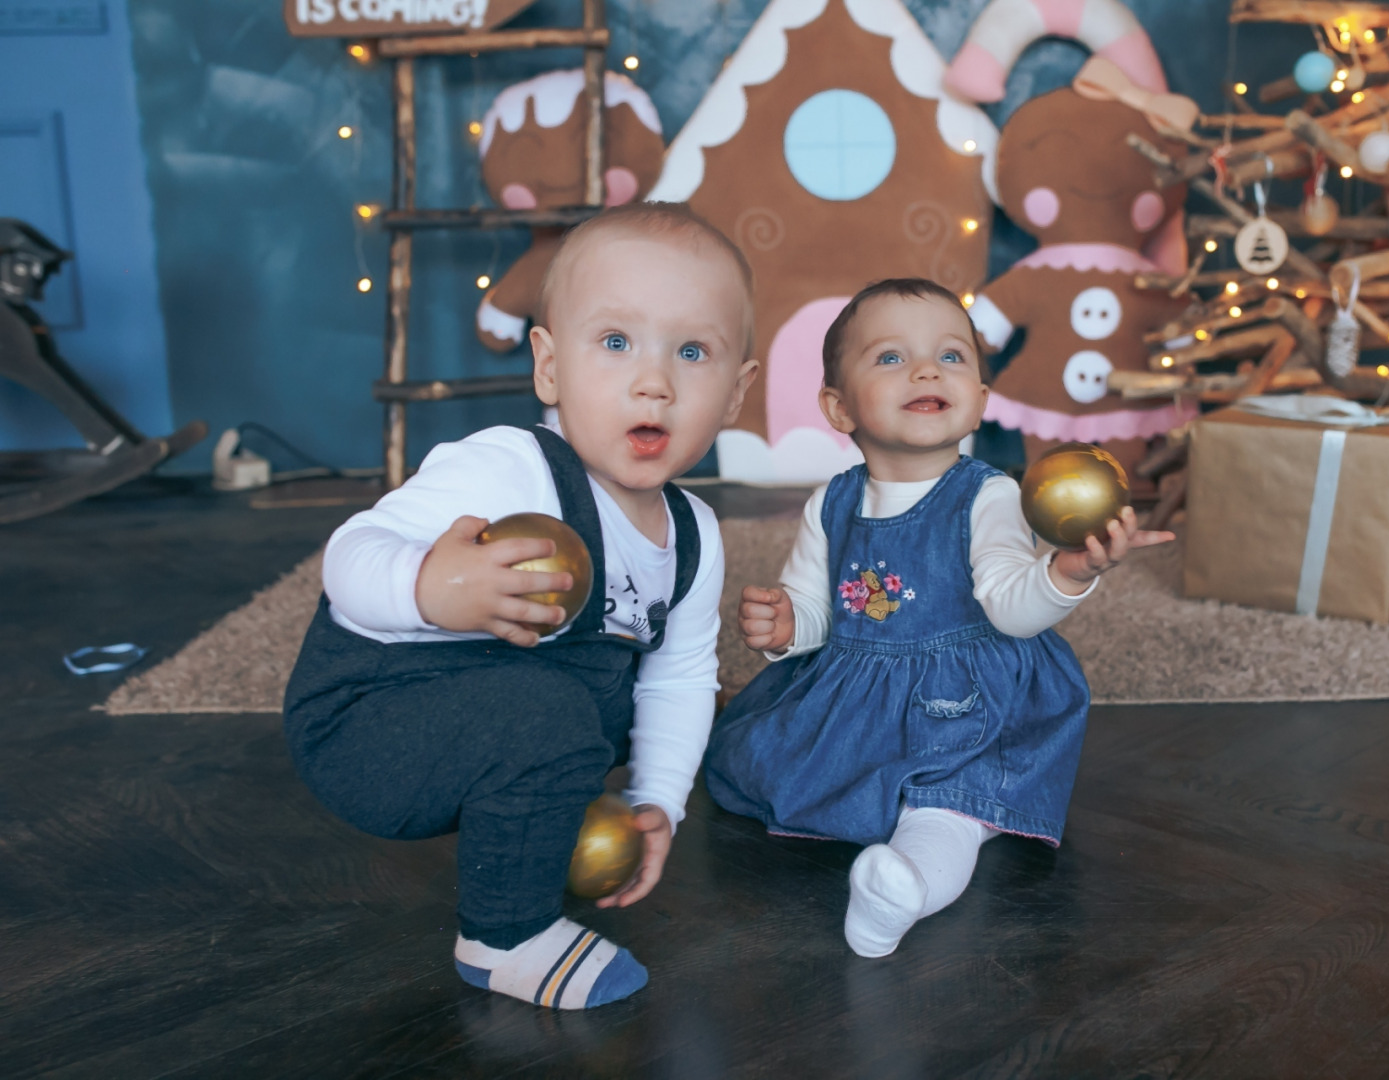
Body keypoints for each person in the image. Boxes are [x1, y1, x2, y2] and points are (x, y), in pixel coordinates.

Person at [283, 203, 758, 1009]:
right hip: (369, 719)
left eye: (692, 351)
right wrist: (431, 587)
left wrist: (656, 802)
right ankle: (504, 939)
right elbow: (349, 560)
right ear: (548, 367)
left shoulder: (695, 535)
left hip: (507, 717)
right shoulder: (508, 468)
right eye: (615, 343)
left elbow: (679, 676)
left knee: (608, 701)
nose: (655, 381)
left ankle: (525, 834)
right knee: (553, 710)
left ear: (738, 392)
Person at [705, 278, 1170, 958]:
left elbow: (1014, 611)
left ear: (980, 399)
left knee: (953, 805)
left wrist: (1065, 574)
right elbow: (818, 609)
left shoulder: (989, 496)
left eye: (952, 356)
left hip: (968, 704)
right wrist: (786, 627)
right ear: (838, 407)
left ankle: (905, 887)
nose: (926, 370)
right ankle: (883, 813)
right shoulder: (831, 503)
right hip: (862, 694)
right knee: (760, 759)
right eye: (891, 358)